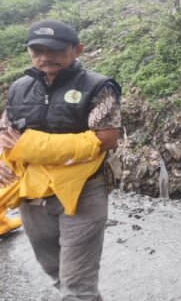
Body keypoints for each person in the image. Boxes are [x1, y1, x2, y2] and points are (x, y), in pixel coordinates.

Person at [0, 19, 121, 300]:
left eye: (54, 49)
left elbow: (105, 138)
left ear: (77, 49)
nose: (45, 57)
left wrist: (30, 146)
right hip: (34, 192)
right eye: (37, 50)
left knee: (77, 284)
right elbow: (8, 131)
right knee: (52, 266)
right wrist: (5, 159)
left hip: (83, 192)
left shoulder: (98, 87)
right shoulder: (20, 87)